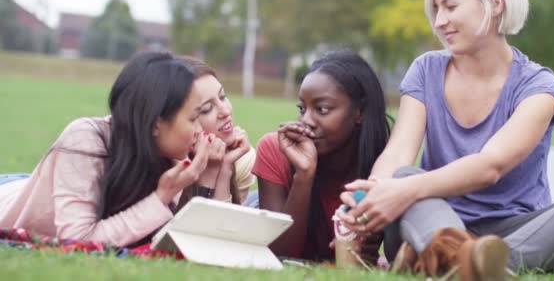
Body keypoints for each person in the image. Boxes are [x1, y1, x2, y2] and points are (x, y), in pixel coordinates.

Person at [338, 0, 554, 279]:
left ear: (495, 2)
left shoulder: (539, 86)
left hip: (516, 231)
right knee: (405, 177)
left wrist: (406, 189)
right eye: (436, 9)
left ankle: (463, 264)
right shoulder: (426, 70)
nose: (439, 21)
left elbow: (490, 166)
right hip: (430, 218)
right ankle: (473, 262)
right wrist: (372, 194)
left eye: (450, 6)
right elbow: (398, 153)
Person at [0, 52, 252, 247]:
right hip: (12, 197)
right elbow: (78, 240)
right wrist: (162, 197)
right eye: (196, 116)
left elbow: (186, 242)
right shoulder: (86, 139)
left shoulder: (177, 155)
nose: (201, 130)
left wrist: (216, 171)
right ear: (156, 124)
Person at [252, 51, 392, 262]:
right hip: (257, 212)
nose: (306, 120)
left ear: (360, 113)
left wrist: (367, 251)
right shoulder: (275, 148)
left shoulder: (383, 164)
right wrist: (304, 175)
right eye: (302, 108)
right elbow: (278, 256)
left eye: (322, 109)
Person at [178, 57, 255, 205]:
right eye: (207, 109)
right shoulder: (173, 165)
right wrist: (209, 173)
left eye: (223, 97)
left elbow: (226, 224)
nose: (225, 111)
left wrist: (225, 169)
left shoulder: (242, 159)